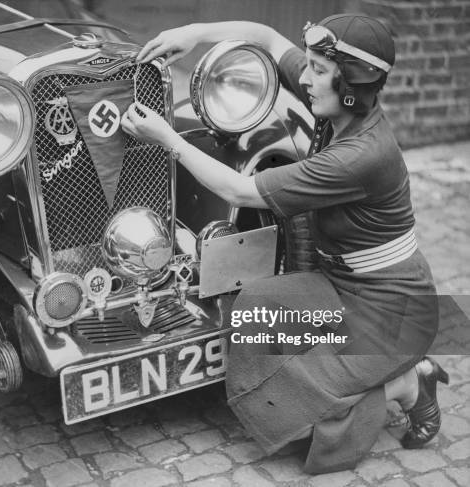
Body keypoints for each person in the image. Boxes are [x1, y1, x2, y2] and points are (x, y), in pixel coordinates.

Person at [121, 14, 449, 473]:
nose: (306, 78)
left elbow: (239, 191)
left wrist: (167, 138)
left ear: (349, 83)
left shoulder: (362, 156)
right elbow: (266, 38)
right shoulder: (338, 100)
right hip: (343, 287)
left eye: (317, 70)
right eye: (309, 65)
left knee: (301, 421)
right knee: (254, 310)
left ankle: (410, 384)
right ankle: (333, 378)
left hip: (392, 311)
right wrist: (191, 35)